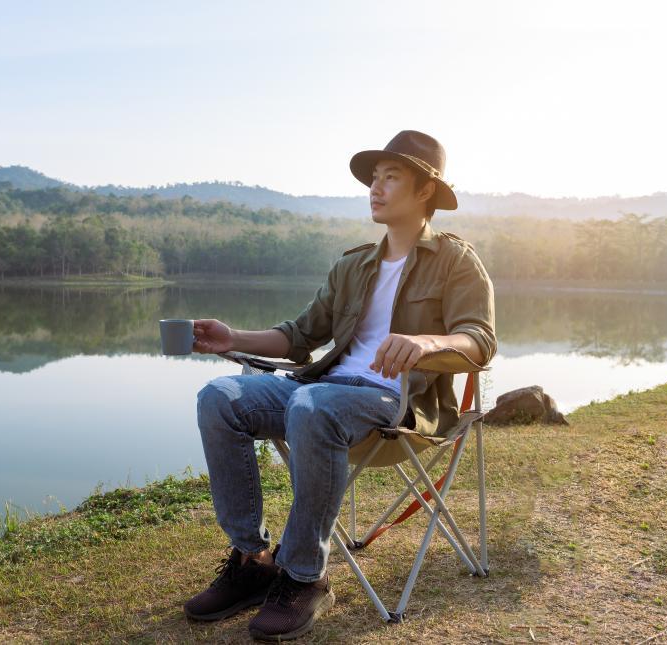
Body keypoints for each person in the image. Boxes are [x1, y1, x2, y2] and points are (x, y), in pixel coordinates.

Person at [184, 130, 496, 641]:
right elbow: (300, 336)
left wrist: (423, 343)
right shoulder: (354, 265)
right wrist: (231, 338)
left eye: (390, 178)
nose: (375, 188)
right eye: (374, 179)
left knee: (313, 405)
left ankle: (306, 576)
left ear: (424, 192)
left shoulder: (456, 262)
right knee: (220, 399)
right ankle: (253, 560)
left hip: (396, 404)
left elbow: (479, 341)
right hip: (322, 387)